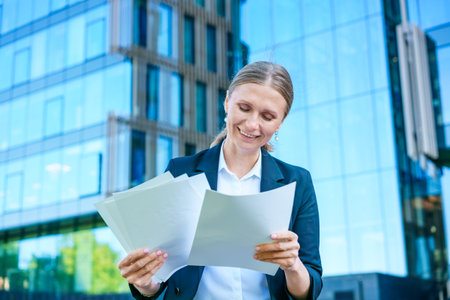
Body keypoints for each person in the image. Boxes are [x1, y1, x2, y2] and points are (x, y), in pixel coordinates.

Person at [118, 61, 322, 299]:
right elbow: (161, 278)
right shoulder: (181, 171)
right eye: (244, 108)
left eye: (267, 116)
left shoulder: (297, 182)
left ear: (280, 122)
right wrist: (144, 282)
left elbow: (310, 287)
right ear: (227, 102)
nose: (252, 124)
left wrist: (292, 265)